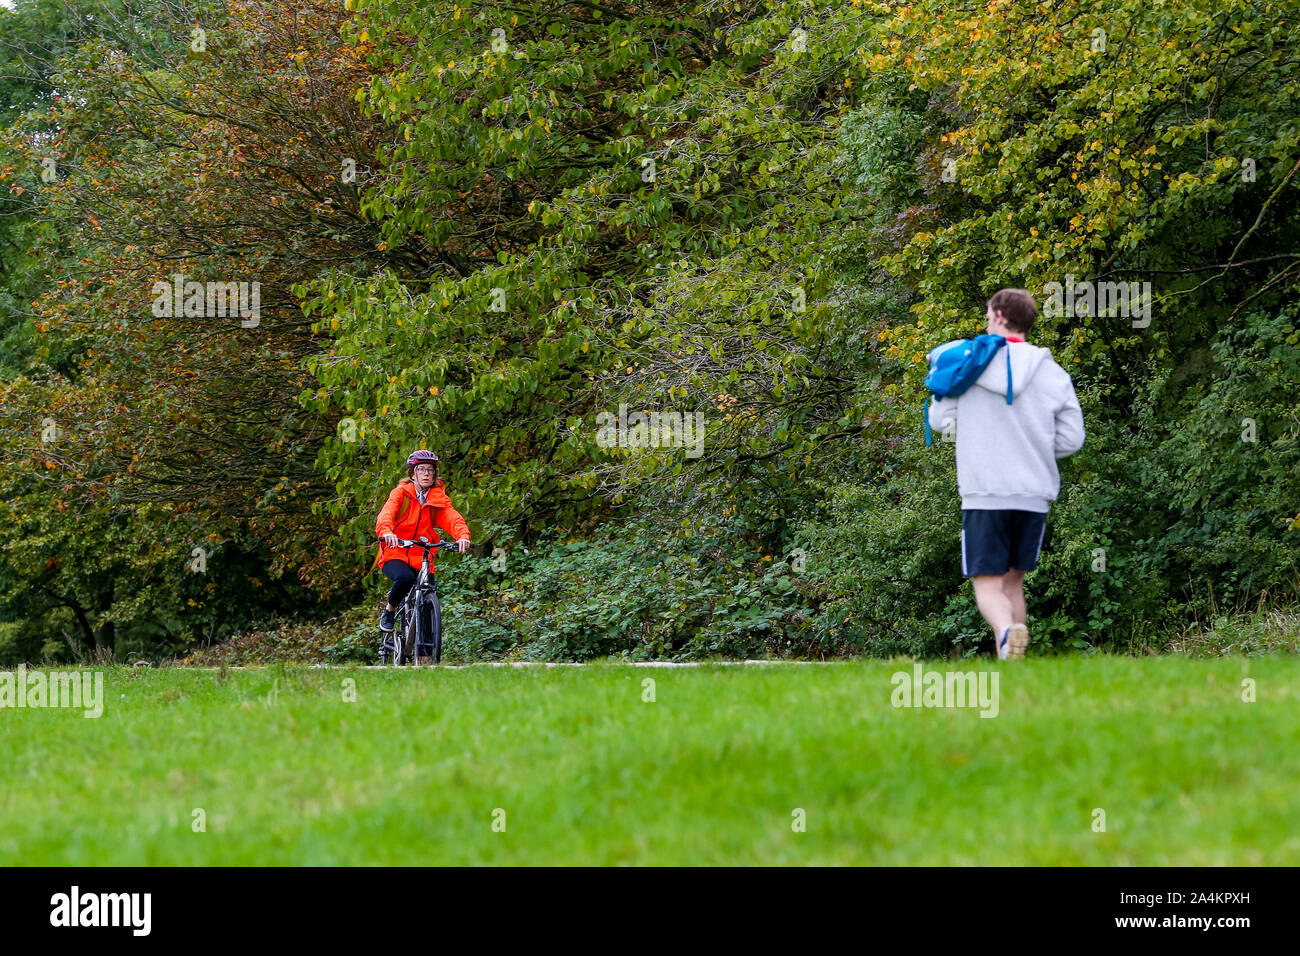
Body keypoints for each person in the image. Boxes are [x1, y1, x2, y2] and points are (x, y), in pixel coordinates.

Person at [926, 288, 1085, 659]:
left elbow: (939, 421)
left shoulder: (966, 366)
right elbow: (1073, 438)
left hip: (985, 492)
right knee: (1014, 583)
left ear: (998, 315)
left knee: (987, 585)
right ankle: (1014, 664)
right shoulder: (1052, 372)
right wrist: (1034, 450)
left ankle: (1005, 630)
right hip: (1033, 495)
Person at [374, 449, 471, 663]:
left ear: (435, 474)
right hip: (395, 551)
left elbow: (452, 517)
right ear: (412, 473)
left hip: (423, 555)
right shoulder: (400, 494)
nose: (426, 473)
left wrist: (462, 536)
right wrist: (387, 532)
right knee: (406, 579)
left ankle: (425, 656)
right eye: (421, 469)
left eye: (430, 470)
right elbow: (386, 514)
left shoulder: (438, 498)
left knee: (428, 596)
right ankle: (389, 611)